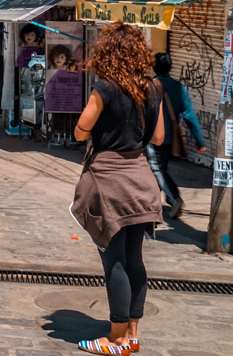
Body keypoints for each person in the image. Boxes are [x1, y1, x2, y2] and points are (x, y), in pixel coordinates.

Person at [70, 22, 165, 356]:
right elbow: (158, 138)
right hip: (141, 178)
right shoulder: (153, 88)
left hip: (110, 181)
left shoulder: (104, 88)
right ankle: (133, 334)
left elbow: (81, 131)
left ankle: (115, 340)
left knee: (115, 261)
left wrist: (93, 126)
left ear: (106, 53)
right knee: (135, 257)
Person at [146, 53, 207, 219]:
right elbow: (190, 115)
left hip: (152, 136)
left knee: (156, 168)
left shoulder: (150, 86)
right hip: (170, 138)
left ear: (153, 67)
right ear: (171, 68)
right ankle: (153, 204)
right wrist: (199, 140)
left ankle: (174, 198)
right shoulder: (179, 87)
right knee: (160, 169)